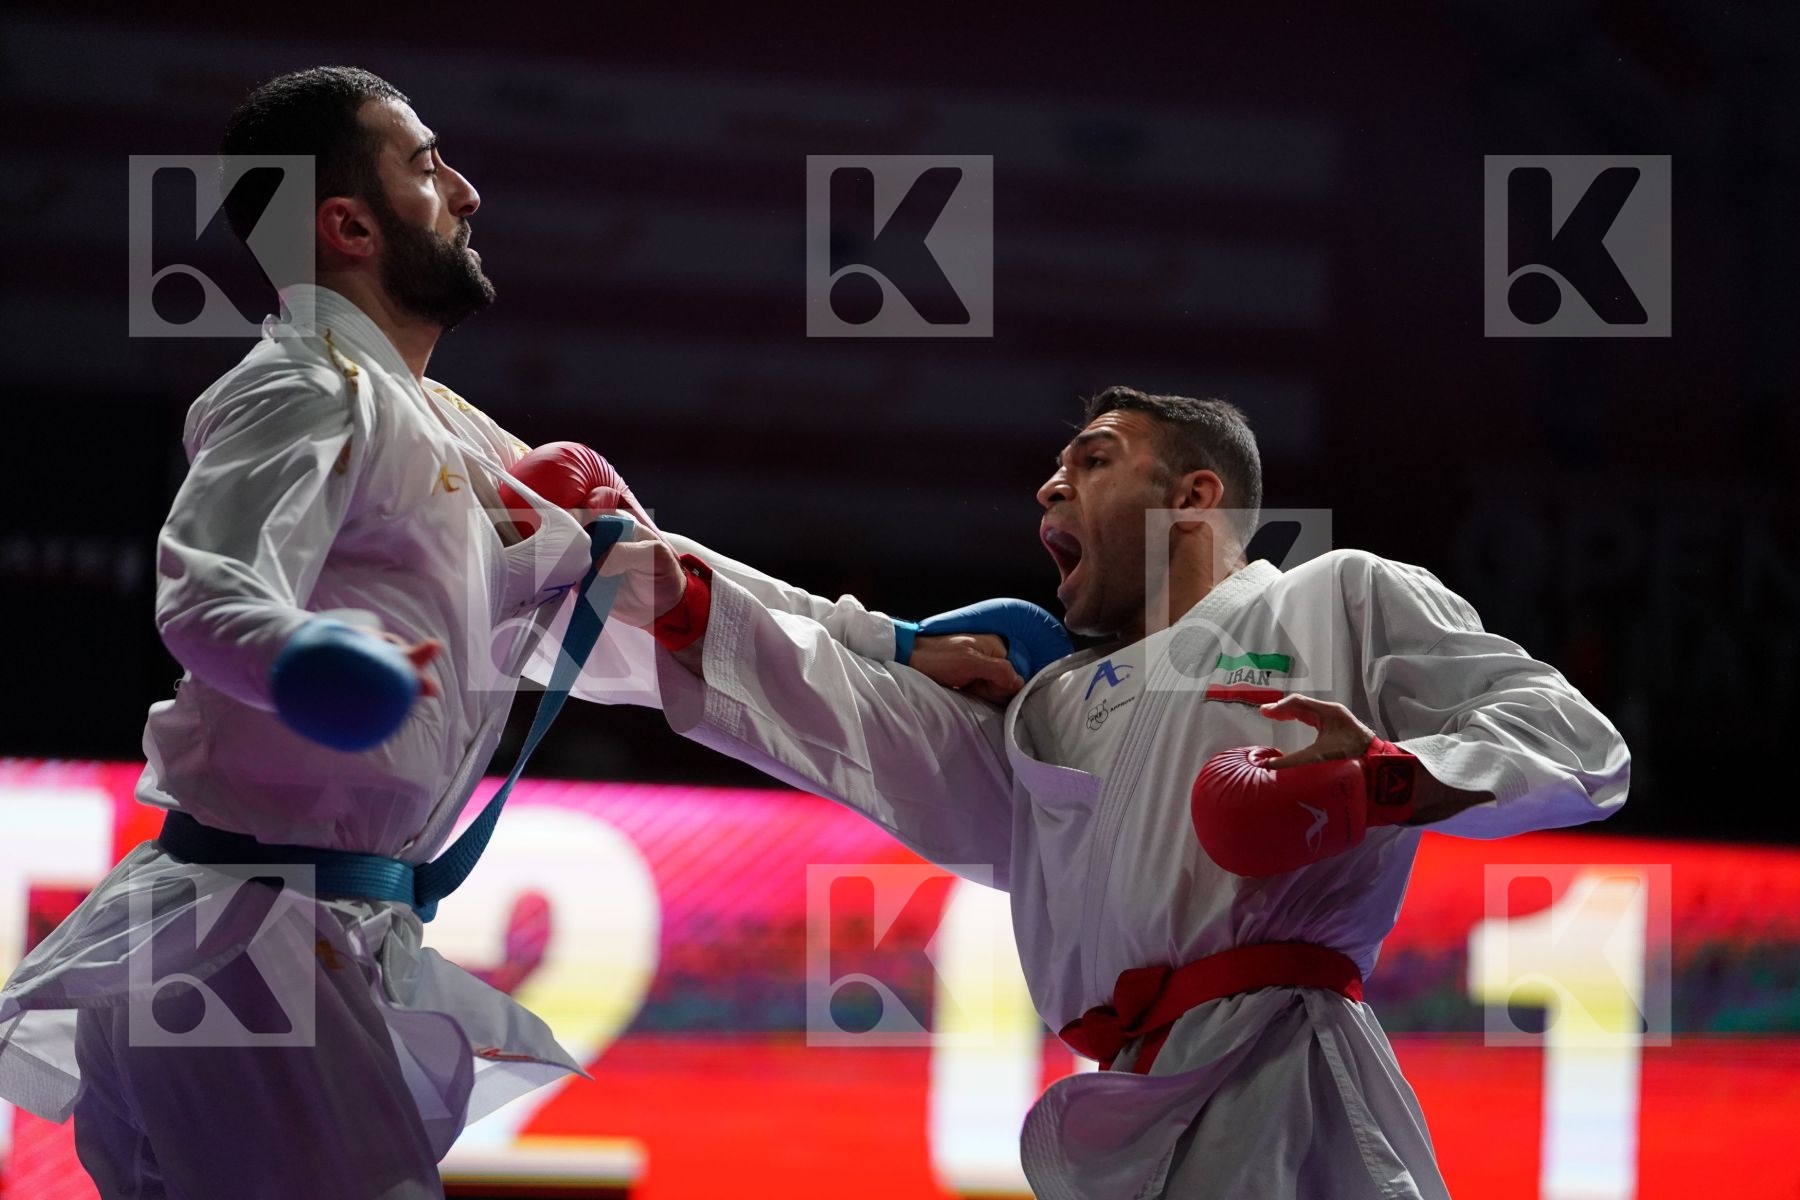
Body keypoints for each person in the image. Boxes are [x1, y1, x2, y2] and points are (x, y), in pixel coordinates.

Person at [0, 67, 1011, 1199]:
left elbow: (648, 569)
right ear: (349, 224)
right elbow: (204, 590)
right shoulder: (304, 383)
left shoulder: (438, 421)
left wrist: (887, 644)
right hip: (251, 943)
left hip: (296, 930)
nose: (468, 192)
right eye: (429, 167)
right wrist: (318, 661)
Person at [603, 386, 1632, 1198]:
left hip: (1291, 1095)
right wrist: (672, 589)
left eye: (1093, 460)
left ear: (1194, 497)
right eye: (1052, 474)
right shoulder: (1050, 710)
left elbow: (1582, 748)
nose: (1050, 491)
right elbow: (856, 714)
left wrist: (1384, 783)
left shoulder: (1335, 597)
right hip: (1126, 1118)